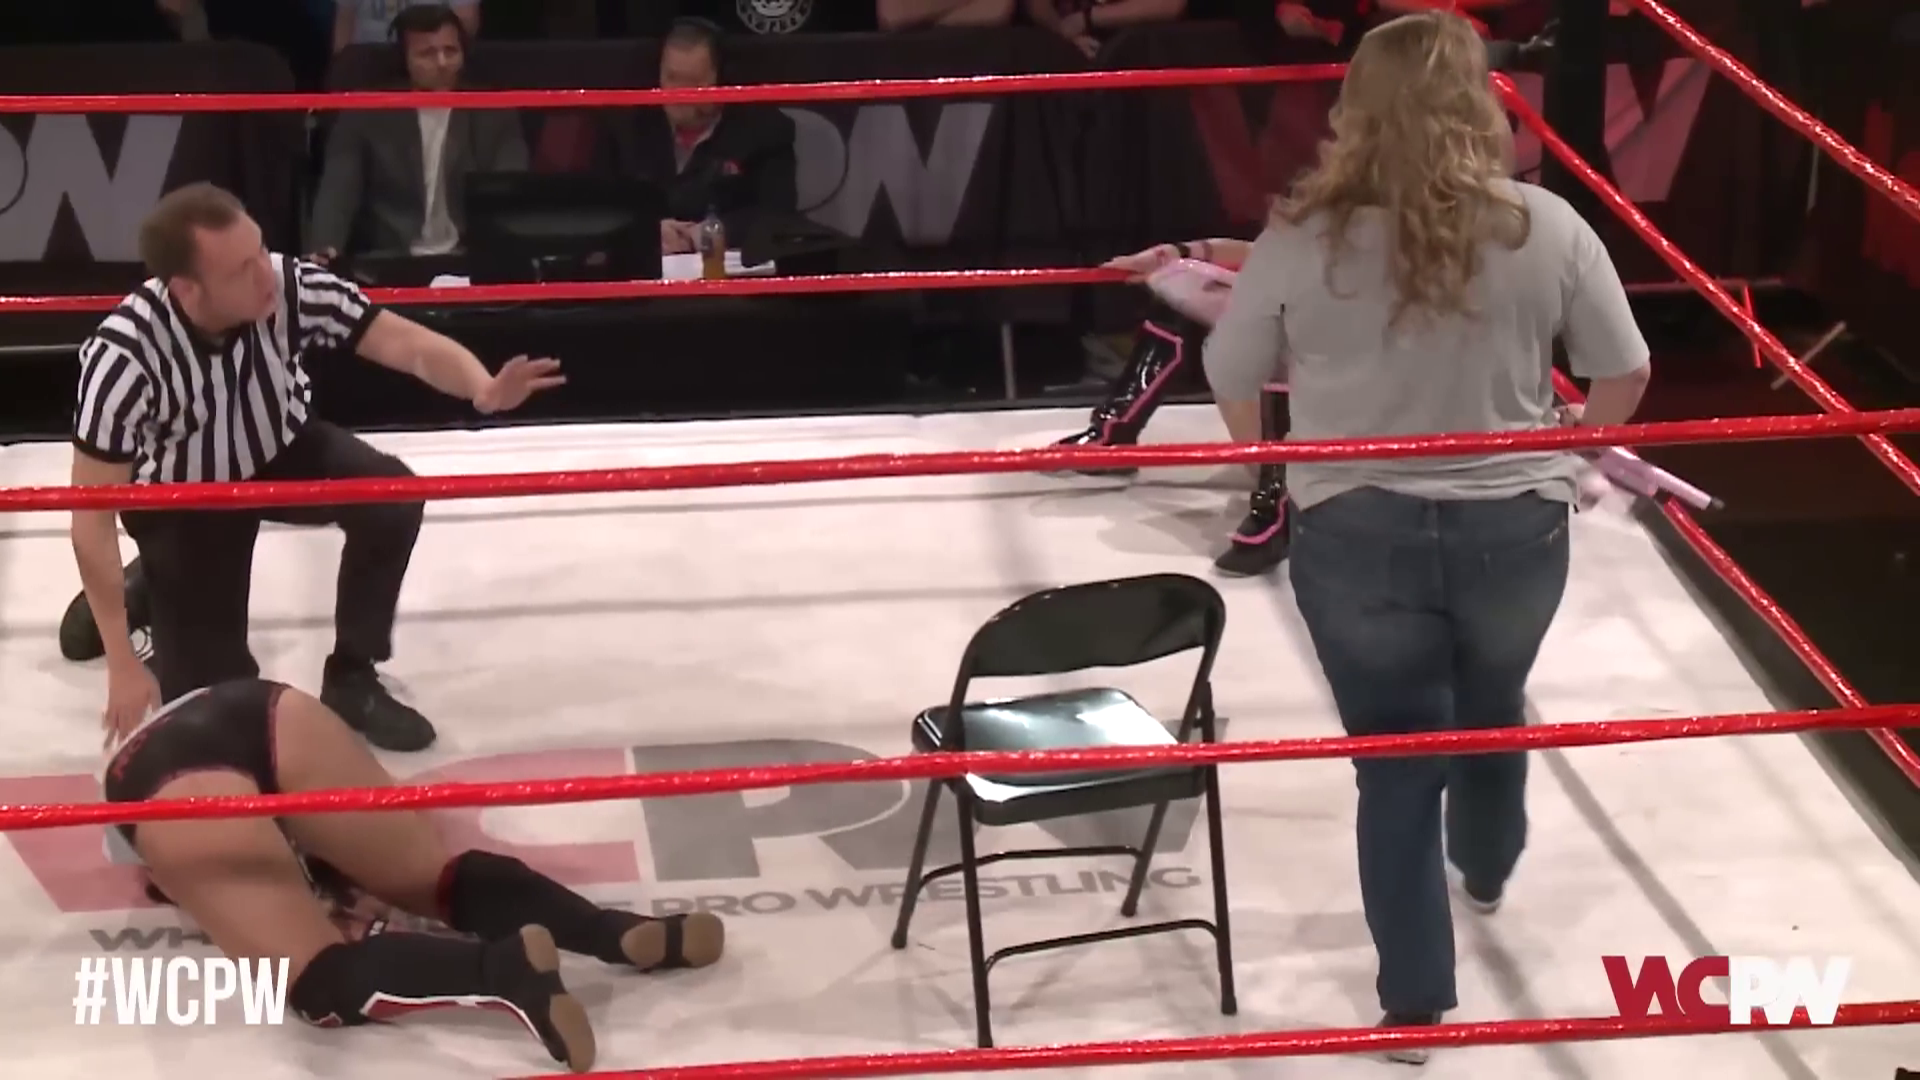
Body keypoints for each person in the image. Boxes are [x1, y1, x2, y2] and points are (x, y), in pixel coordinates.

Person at [1203, 12, 1651, 1062]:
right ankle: (1486, 868)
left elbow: (1230, 370)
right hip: (1514, 523)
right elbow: (1625, 370)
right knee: (1491, 708)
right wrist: (1575, 452)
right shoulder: (1545, 225)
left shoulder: (1302, 234)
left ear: (1354, 107)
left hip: (1356, 527)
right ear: (1482, 103)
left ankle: (1413, 1006)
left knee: (1399, 762)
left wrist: (1273, 467)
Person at [62, 182, 565, 753]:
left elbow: (402, 342)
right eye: (241, 269)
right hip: (186, 497)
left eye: (260, 250)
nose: (265, 273)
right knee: (218, 702)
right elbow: (90, 521)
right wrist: (122, 662)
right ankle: (147, 584)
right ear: (187, 289)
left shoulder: (287, 286)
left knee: (391, 497)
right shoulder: (124, 357)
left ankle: (352, 674)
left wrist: (481, 387)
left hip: (279, 445)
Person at [101, 677, 726, 1071]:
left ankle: (502, 971)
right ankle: (616, 931)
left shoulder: (150, 839)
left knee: (316, 978)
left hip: (161, 779)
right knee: (432, 877)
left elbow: (182, 883)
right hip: (259, 706)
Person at [1057, 238, 1292, 577]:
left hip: (1349, 446)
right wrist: (1169, 255)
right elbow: (1264, 251)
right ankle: (1116, 429)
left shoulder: (1369, 242)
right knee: (1182, 289)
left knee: (1285, 322)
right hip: (1288, 429)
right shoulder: (1317, 229)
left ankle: (1279, 507)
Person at [309, 3, 529, 262]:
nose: (442, 63)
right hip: (394, 259)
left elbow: (511, 193)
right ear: (405, 61)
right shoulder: (365, 112)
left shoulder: (494, 111)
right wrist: (324, 249)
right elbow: (338, 192)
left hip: (471, 259)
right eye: (427, 54)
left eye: (450, 51)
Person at [610, 17, 798, 256]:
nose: (679, 94)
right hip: (648, 268)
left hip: (726, 269)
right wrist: (649, 230)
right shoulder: (629, 127)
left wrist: (707, 233)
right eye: (672, 78)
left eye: (693, 82)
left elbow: (779, 213)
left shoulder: (765, 130)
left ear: (721, 79)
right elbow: (605, 209)